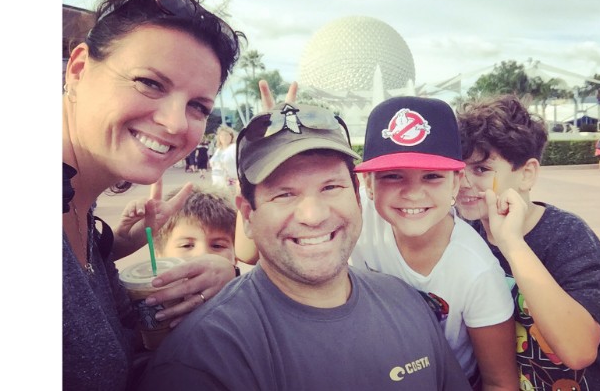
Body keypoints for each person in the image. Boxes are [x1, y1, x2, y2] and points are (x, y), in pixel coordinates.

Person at [138, 90, 471, 391]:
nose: (312, 215)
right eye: (284, 194)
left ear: (356, 196)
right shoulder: (205, 359)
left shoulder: (406, 302)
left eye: (330, 187)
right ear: (248, 214)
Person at [62, 0, 244, 390]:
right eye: (149, 82)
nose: (175, 122)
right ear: (79, 68)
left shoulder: (81, 214)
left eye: (199, 106)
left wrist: (112, 246)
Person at [454, 96, 600, 390]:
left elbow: (578, 350)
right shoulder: (461, 234)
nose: (462, 183)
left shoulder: (566, 235)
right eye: (456, 170)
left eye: (480, 170)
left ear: (526, 174)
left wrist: (511, 243)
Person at [350, 96, 517, 391]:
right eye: (392, 176)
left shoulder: (476, 271)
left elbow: (500, 382)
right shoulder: (355, 220)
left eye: (432, 176)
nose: (413, 194)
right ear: (368, 185)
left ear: (456, 182)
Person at [120, 183, 238, 262]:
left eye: (218, 246)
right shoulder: (145, 298)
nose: (203, 255)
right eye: (186, 245)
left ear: (236, 257)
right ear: (159, 256)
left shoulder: (246, 298)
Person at [208, 125, 238, 196]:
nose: (224, 137)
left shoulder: (234, 148)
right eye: (222, 135)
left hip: (229, 183)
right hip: (217, 181)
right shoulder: (218, 149)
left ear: (231, 137)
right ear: (219, 137)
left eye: (227, 135)